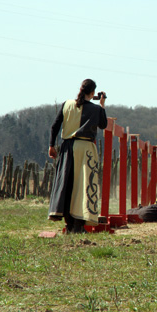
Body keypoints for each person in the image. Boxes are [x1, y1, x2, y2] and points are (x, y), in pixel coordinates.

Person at [48, 79, 107, 233]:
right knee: (83, 187)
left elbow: (55, 126)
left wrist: (51, 145)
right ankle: (79, 226)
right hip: (85, 149)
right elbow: (103, 124)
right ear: (92, 93)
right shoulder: (96, 109)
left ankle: (69, 225)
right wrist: (102, 105)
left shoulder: (67, 104)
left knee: (68, 185)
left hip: (67, 148)